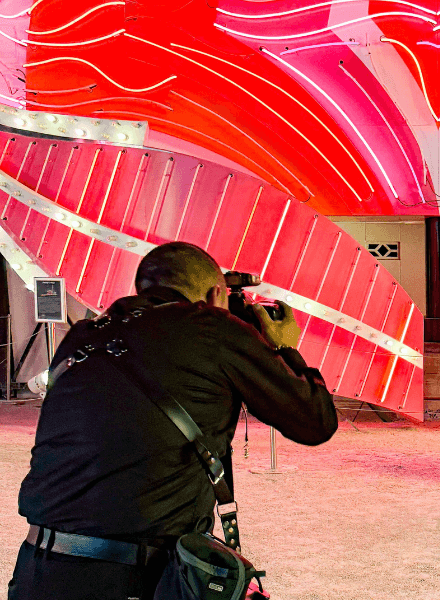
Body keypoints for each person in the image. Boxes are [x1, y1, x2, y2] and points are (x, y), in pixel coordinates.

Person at [9, 242, 339, 600]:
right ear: (215, 293)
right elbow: (315, 421)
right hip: (132, 578)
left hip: (36, 570)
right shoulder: (211, 327)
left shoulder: (82, 335)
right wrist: (283, 347)